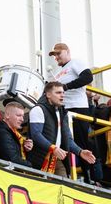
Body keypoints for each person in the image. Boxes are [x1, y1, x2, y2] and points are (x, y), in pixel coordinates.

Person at [49, 42, 96, 183]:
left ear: (67, 51)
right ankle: (69, 174)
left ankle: (89, 177)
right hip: (64, 110)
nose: (56, 57)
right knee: (65, 142)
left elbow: (88, 77)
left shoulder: (75, 62)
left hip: (77, 108)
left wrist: (66, 87)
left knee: (81, 141)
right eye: (54, 55)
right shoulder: (58, 73)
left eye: (58, 53)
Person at [28, 82, 96, 177]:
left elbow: (68, 139)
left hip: (56, 158)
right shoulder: (38, 109)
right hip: (39, 159)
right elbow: (36, 135)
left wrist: (80, 151)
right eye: (58, 92)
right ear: (48, 95)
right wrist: (53, 148)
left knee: (63, 183)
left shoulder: (62, 113)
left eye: (63, 93)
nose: (62, 95)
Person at [0, 100, 33, 167]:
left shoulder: (12, 133)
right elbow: (12, 159)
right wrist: (30, 166)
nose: (22, 119)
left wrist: (26, 149)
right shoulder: (1, 132)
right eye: (18, 115)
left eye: (22, 116)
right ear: (7, 115)